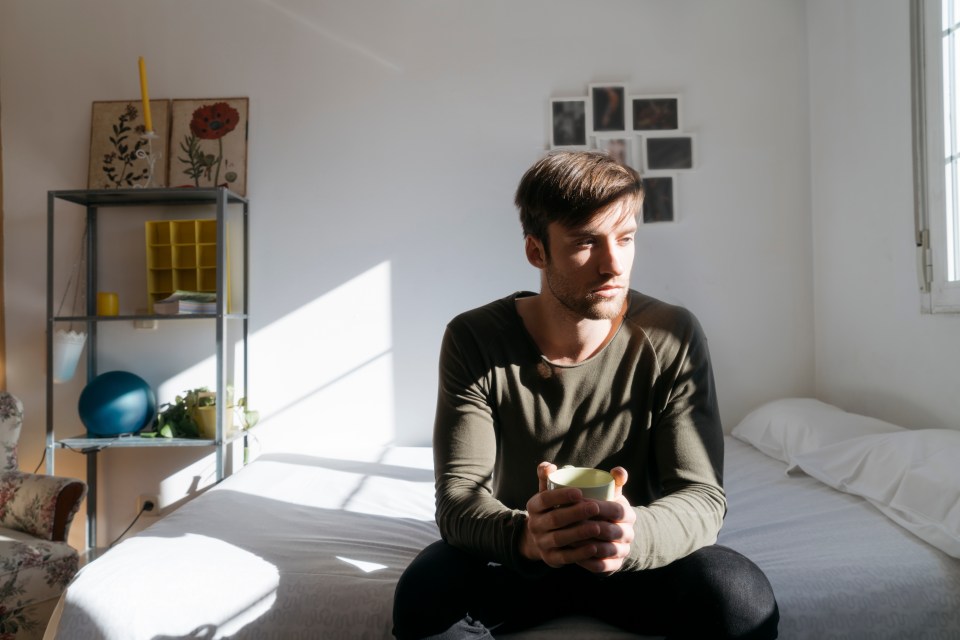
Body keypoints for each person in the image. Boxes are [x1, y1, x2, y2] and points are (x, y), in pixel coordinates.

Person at [393, 151, 779, 639]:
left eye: (625, 238)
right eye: (584, 243)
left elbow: (701, 496)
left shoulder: (672, 336)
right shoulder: (475, 338)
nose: (612, 264)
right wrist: (527, 537)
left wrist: (630, 535)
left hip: (639, 565)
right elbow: (457, 500)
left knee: (741, 599)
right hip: (521, 562)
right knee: (421, 594)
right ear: (537, 252)